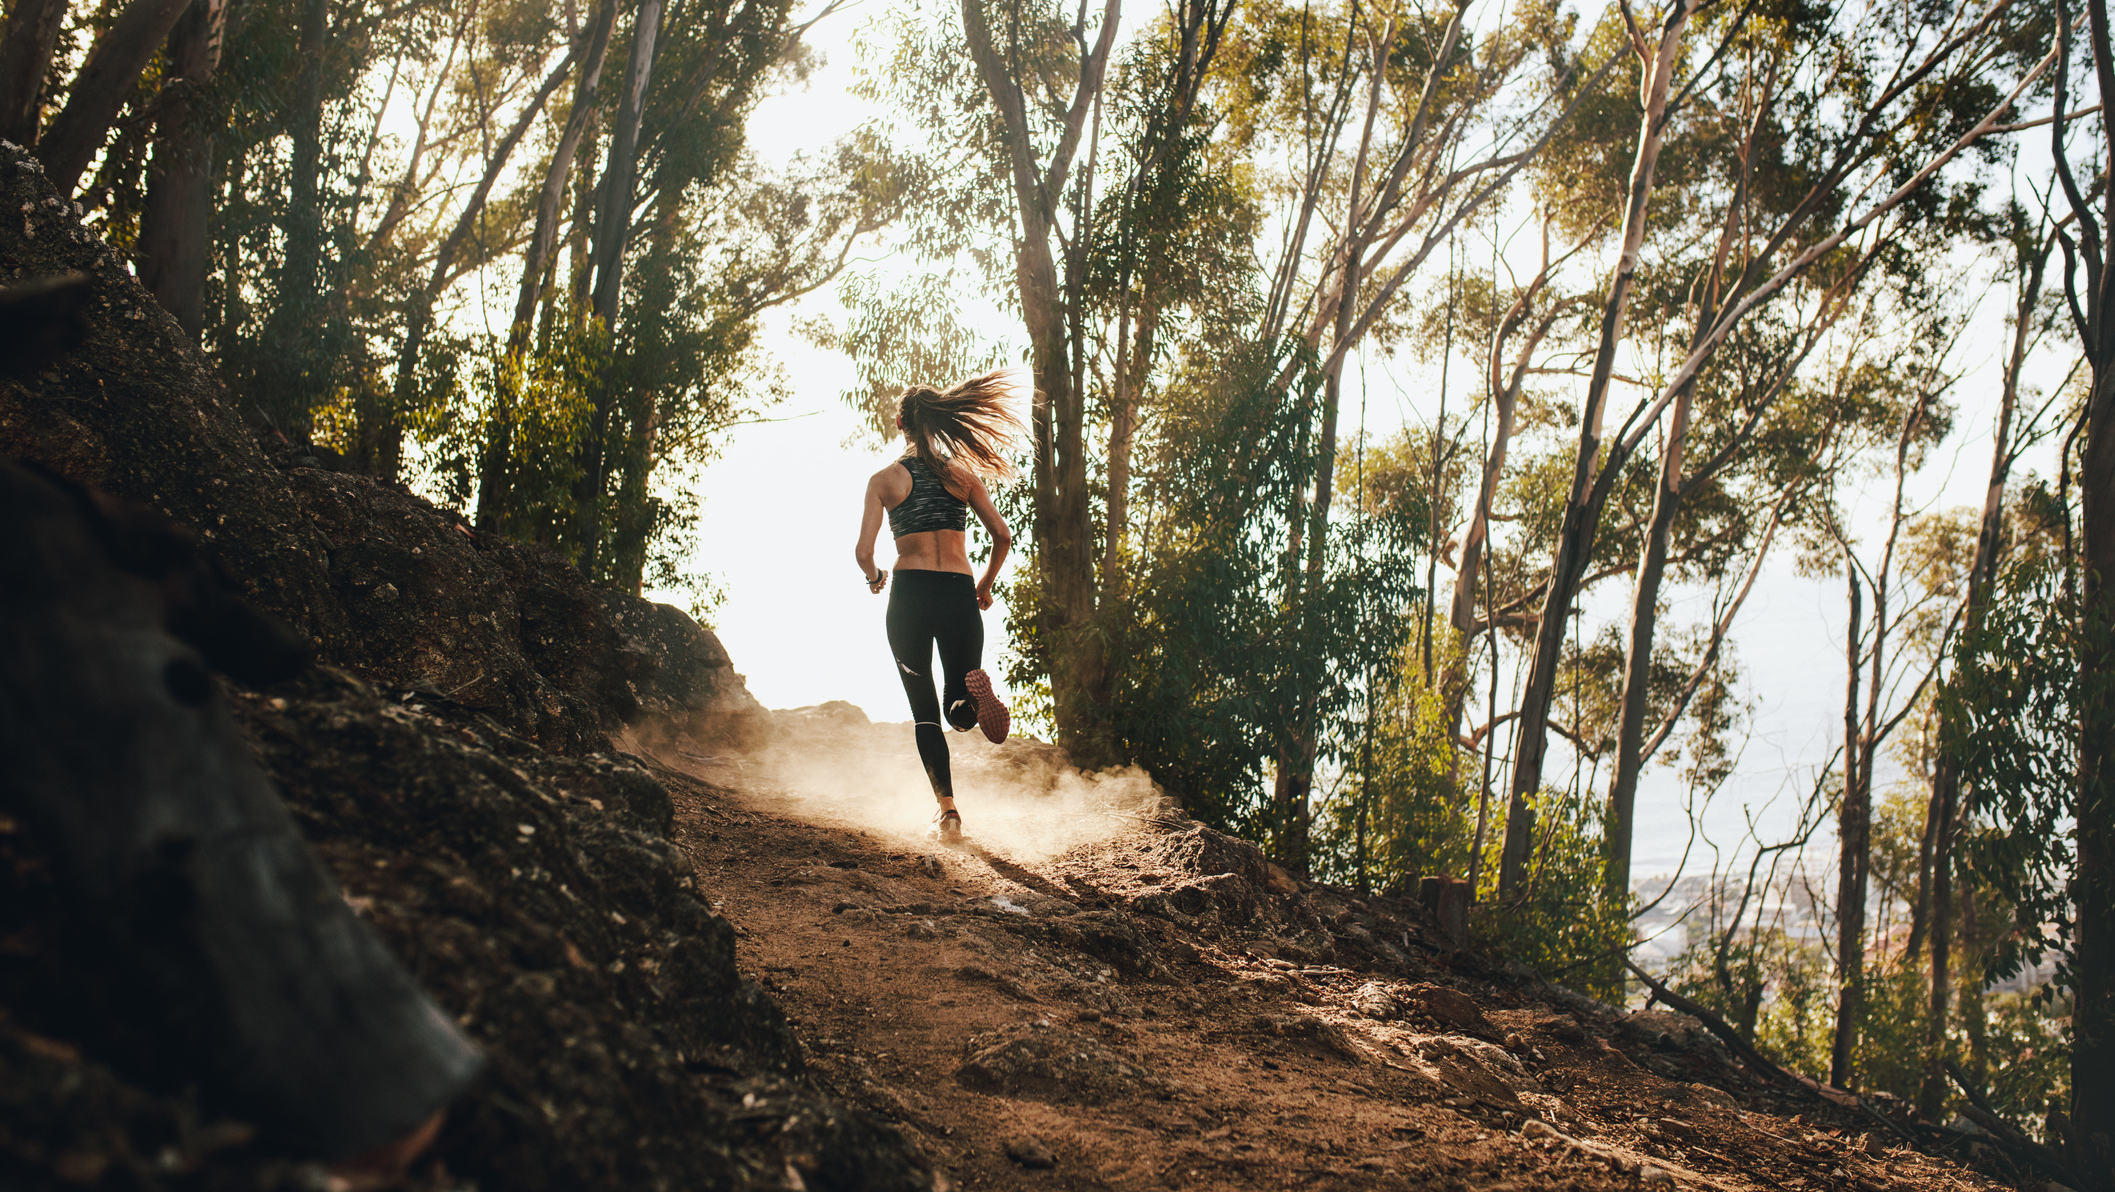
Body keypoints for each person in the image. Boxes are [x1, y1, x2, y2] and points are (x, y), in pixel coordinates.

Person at [855, 372, 1022, 843]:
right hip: (957, 590)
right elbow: (1003, 536)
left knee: (925, 710)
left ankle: (947, 813)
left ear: (901, 423)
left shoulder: (884, 480)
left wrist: (875, 579)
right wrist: (985, 585)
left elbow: (864, 552)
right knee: (957, 705)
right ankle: (972, 697)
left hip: (910, 593)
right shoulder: (962, 477)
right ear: (939, 422)